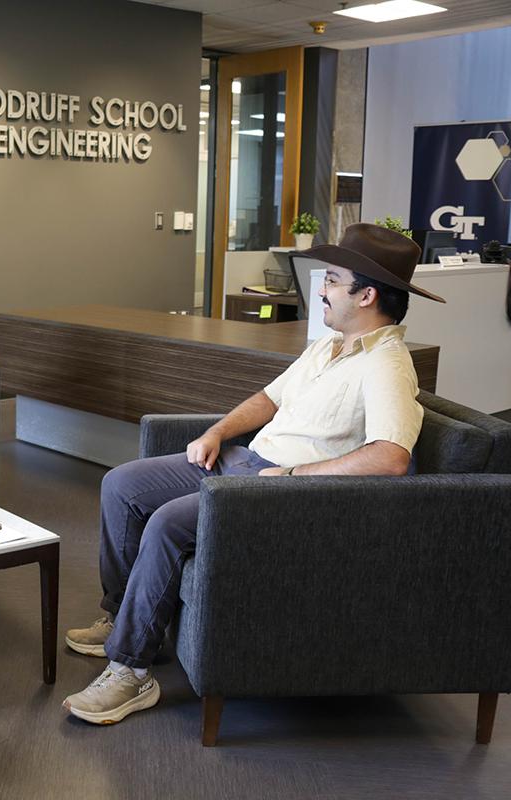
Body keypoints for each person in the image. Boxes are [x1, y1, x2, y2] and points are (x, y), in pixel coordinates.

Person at [62, 223, 446, 725]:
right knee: (122, 485)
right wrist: (218, 433)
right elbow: (269, 399)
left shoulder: (387, 365)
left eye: (331, 279)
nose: (322, 290)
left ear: (367, 294)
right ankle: (120, 619)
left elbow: (391, 457)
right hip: (245, 460)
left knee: (168, 524)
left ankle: (130, 671)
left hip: (280, 490)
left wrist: (293, 474)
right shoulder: (329, 347)